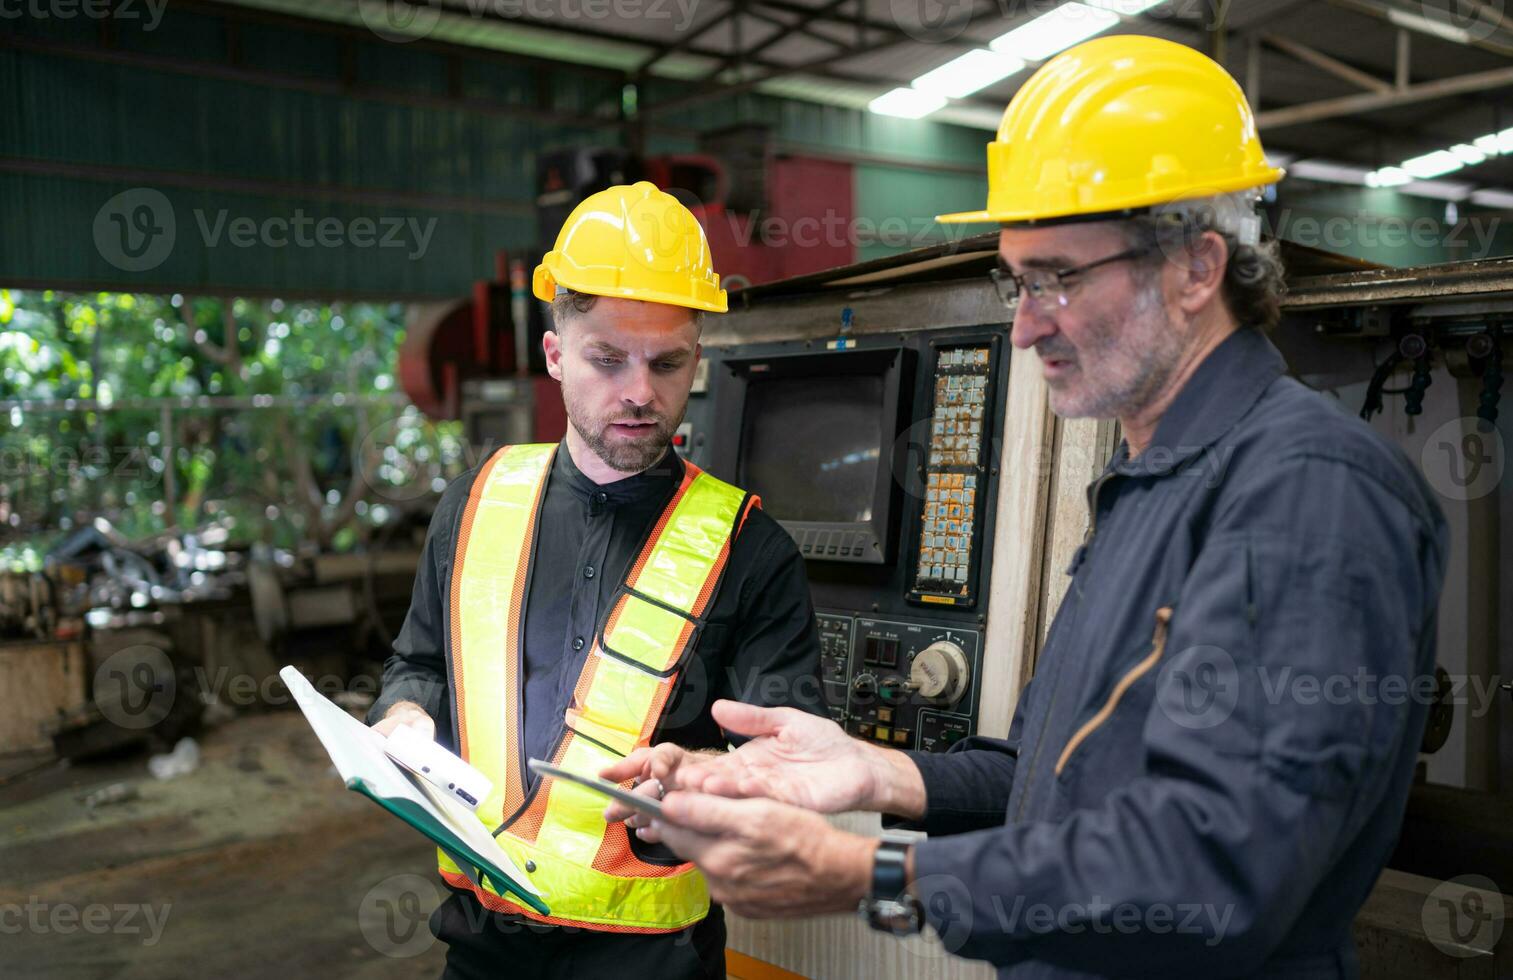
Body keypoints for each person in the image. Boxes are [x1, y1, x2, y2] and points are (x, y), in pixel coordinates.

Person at [602, 37, 1448, 979]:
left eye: (1059, 278)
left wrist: (866, 871)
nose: (1023, 324)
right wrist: (871, 772)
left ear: (1197, 268)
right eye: (1017, 280)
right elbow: (1048, 788)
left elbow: (1217, 873)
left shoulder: (1308, 494)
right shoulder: (1148, 485)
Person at [368, 181, 823, 980]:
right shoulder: (474, 505)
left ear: (698, 360)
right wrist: (403, 716)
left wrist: (709, 797)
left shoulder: (752, 552)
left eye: (667, 362)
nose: (640, 393)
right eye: (606, 360)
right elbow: (420, 662)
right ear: (553, 355)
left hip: (656, 964)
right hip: (480, 948)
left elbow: (789, 761)